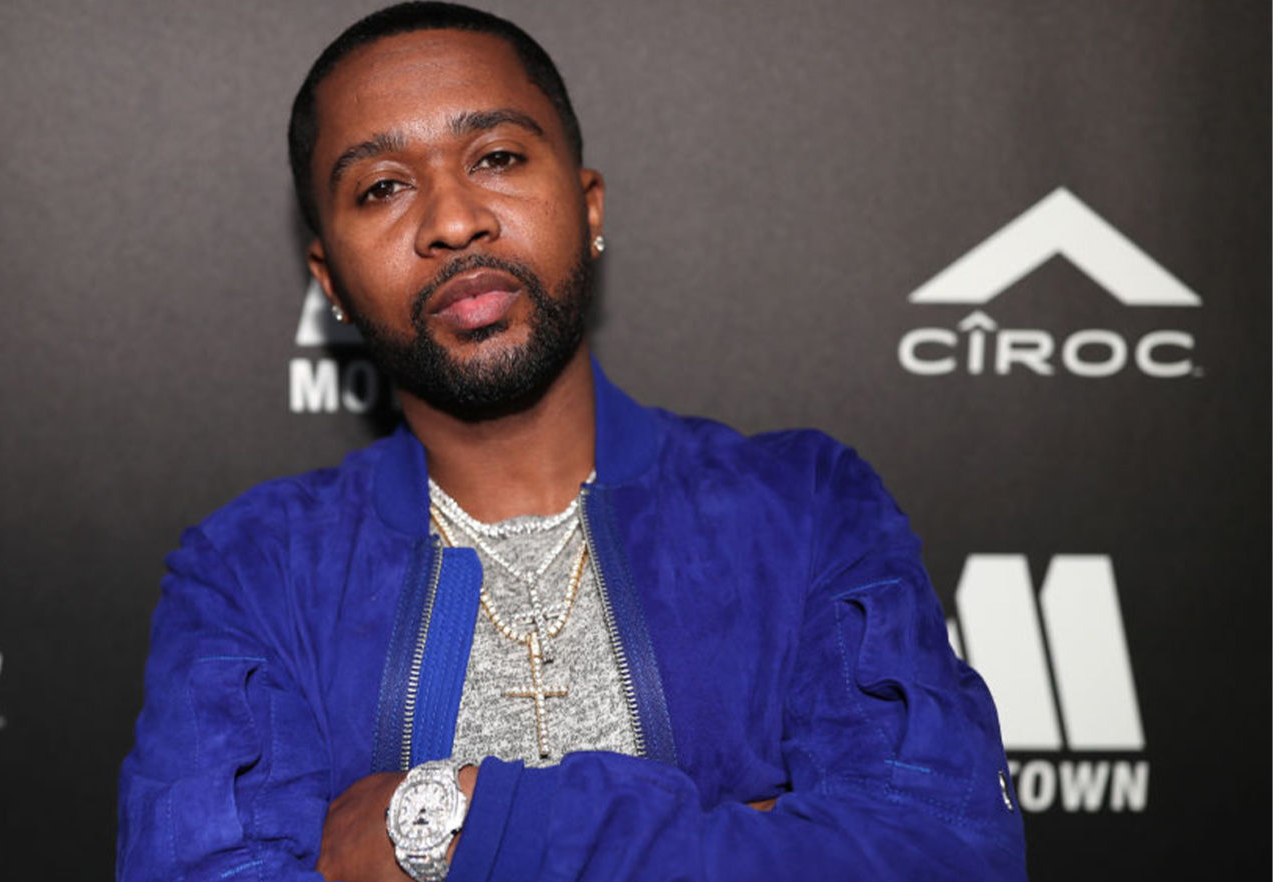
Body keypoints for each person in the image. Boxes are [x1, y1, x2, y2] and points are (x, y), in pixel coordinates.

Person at [117, 3, 1027, 880]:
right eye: (383, 187)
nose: (452, 221)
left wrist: (457, 821)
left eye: (497, 156)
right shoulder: (254, 571)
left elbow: (942, 856)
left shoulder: (805, 507)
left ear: (589, 208)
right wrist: (744, 827)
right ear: (331, 281)